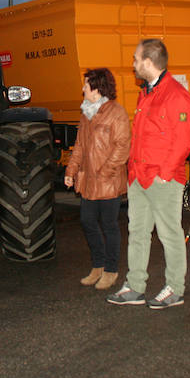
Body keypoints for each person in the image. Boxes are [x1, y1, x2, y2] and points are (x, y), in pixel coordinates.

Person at [107, 39, 190, 309]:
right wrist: (133, 170)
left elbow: (184, 140)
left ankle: (175, 289)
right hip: (139, 176)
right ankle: (135, 286)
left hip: (162, 178)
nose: (133, 64)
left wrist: (165, 174)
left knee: (170, 234)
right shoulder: (146, 92)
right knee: (138, 233)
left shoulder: (176, 94)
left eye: (135, 59)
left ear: (148, 62)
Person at [65, 68, 131, 291]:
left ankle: (111, 271)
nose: (83, 88)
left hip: (108, 181)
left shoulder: (117, 113)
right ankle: (98, 266)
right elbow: (80, 146)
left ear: (97, 87)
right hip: (89, 181)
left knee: (110, 226)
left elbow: (122, 147)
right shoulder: (86, 114)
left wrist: (104, 172)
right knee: (87, 222)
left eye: (86, 84)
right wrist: (70, 171)